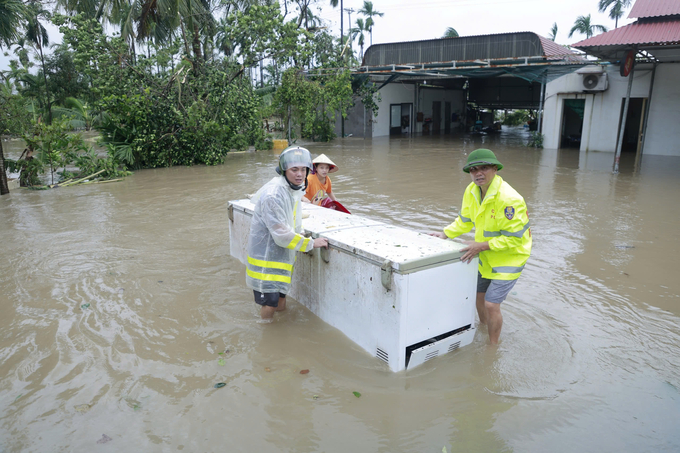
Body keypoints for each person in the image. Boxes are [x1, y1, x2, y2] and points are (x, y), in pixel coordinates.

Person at [429, 148, 532, 344]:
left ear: (495, 169)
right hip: (485, 253)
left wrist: (481, 246)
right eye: (473, 170)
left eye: (483, 168)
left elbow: (516, 239)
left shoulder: (509, 199)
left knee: (491, 304)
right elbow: (465, 220)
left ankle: (492, 347)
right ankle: (485, 328)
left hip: (510, 256)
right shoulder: (471, 191)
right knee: (478, 295)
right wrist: (445, 233)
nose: (478, 173)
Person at [246, 146, 328, 320]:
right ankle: (267, 335)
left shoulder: (293, 190)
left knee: (281, 299)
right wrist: (311, 243)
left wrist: (303, 235)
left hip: (281, 259)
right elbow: (281, 234)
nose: (300, 174)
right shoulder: (273, 195)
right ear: (284, 170)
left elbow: (293, 221)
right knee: (269, 302)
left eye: (304, 169)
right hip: (266, 261)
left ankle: (281, 331)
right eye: (294, 169)